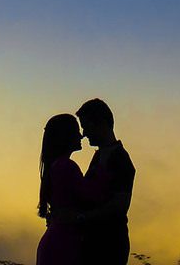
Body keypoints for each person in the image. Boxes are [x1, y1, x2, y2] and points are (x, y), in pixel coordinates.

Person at [36, 113, 110, 265]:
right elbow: (94, 195)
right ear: (66, 136)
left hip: (57, 241)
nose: (81, 135)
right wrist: (103, 166)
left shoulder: (56, 166)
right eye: (77, 131)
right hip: (63, 244)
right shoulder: (65, 166)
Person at [75, 98, 135, 265]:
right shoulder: (99, 156)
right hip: (94, 243)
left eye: (87, 127)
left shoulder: (121, 159)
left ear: (101, 123)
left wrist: (81, 217)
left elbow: (120, 205)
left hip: (109, 246)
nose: (84, 133)